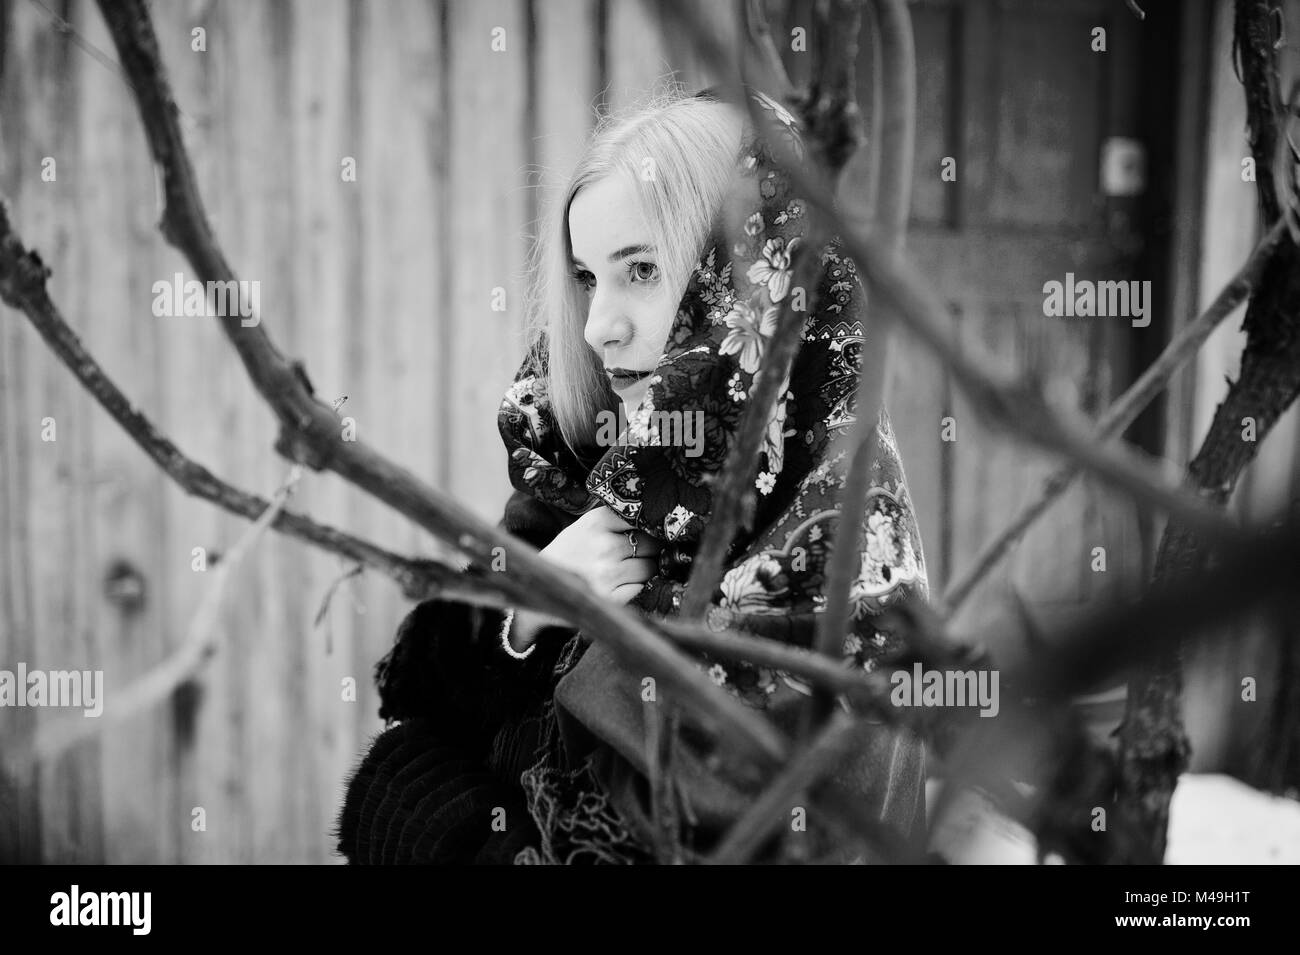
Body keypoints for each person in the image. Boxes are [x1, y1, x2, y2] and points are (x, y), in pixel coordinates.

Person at [335, 85, 931, 865]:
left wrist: (432, 823)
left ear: (756, 288)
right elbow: (434, 687)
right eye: (587, 277)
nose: (596, 325)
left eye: (641, 270)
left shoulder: (829, 592)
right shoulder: (597, 476)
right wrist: (525, 614)